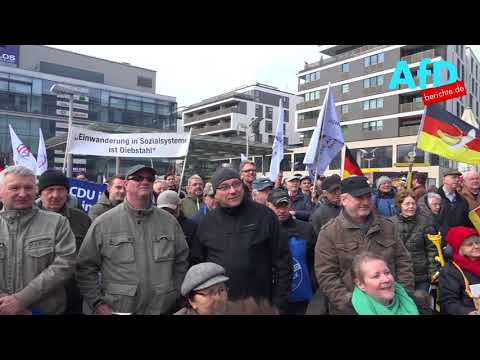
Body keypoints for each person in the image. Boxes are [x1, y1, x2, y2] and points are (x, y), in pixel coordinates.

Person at [76, 164, 189, 315]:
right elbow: (85, 267)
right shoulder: (104, 223)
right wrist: (97, 303)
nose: (145, 181)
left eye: (150, 179)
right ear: (125, 184)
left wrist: (174, 292)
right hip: (119, 309)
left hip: (162, 308)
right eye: (137, 178)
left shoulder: (169, 222)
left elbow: (181, 261)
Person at [192, 167, 292, 313]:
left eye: (236, 184)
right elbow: (197, 267)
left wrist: (277, 305)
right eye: (225, 187)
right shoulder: (206, 223)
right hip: (221, 308)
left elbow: (284, 263)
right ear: (215, 193)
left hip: (261, 306)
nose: (233, 191)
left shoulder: (265, 216)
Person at [314, 176, 415, 314]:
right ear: (344, 200)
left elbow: (403, 261)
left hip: (392, 307)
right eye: (359, 198)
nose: (366, 202)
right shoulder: (329, 233)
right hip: (350, 309)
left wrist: (403, 294)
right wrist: (350, 302)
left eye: (368, 197)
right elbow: (326, 275)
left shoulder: (387, 226)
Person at [0, 166, 76, 314]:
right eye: (14, 188)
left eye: (28, 187)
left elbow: (65, 265)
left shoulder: (57, 223)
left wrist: (21, 300)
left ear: (35, 190)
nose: (22, 193)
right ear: (0, 192)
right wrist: (4, 304)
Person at [36, 169, 92, 314]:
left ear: (67, 192)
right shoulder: (28, 218)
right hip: (35, 296)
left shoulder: (82, 219)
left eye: (61, 190)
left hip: (72, 296)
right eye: (50, 190)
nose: (56, 195)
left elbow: (91, 257)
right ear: (40, 192)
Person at [266, 189, 317, 314]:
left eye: (285, 205)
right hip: (271, 298)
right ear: (268, 205)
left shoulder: (306, 229)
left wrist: (313, 285)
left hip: (300, 299)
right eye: (277, 206)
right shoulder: (261, 230)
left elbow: (316, 261)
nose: (282, 210)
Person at [340, 252, 430, 315]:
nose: (386, 279)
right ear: (360, 284)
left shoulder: (413, 301)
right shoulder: (350, 311)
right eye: (376, 276)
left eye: (387, 273)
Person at [390, 190, 438, 292]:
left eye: (413, 203)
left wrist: (433, 273)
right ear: (400, 205)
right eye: (407, 204)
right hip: (399, 274)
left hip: (421, 274)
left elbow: (431, 250)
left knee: (421, 303)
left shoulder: (425, 222)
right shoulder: (390, 223)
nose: (411, 206)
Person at [438, 226, 480, 315]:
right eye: (470, 244)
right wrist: (468, 312)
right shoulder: (450, 270)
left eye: (478, 242)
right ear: (459, 248)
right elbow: (448, 302)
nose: (476, 246)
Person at [157, 190, 198, 265]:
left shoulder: (191, 226)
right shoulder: (155, 226)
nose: (168, 214)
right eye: (163, 211)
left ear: (179, 206)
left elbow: (196, 255)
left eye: (171, 211)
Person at [437, 170, 471, 242]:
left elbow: (466, 222)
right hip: (439, 240)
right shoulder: (434, 198)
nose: (457, 180)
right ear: (444, 180)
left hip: (458, 240)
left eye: (458, 178)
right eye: (454, 177)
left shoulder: (463, 200)